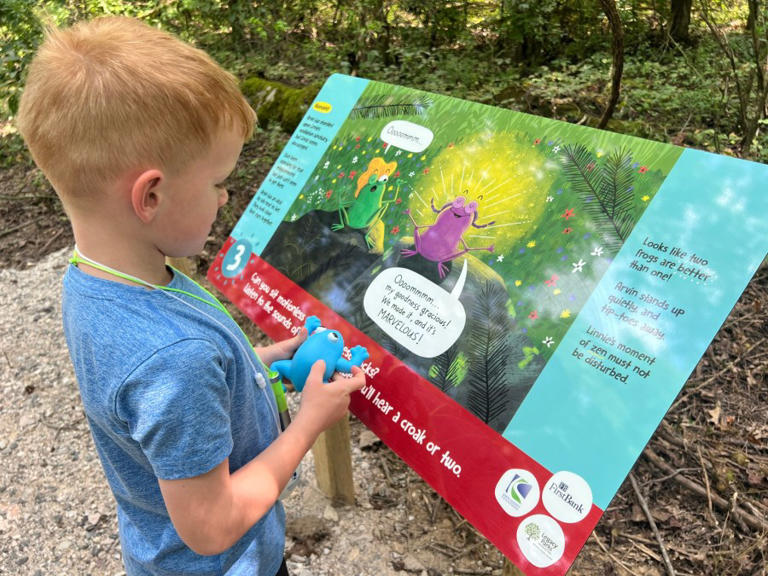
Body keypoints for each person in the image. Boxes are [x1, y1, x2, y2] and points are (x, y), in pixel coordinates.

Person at [16, 16, 365, 576]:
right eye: (217, 181)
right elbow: (211, 525)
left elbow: (166, 389)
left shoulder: (97, 278)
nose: (226, 197)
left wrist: (259, 361)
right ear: (151, 195)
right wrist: (309, 424)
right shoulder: (173, 362)